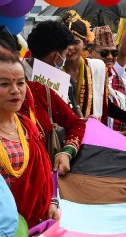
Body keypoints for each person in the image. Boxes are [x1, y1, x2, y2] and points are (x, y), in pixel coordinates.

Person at [0, 48, 57, 228]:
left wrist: (52, 202)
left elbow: (44, 177)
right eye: (4, 84)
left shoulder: (27, 125)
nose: (15, 91)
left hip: (32, 225)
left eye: (21, 83)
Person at [22, 21, 86, 173]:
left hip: (44, 165)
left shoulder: (58, 83)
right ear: (55, 56)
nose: (14, 89)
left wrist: (66, 152)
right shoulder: (20, 81)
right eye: (64, 54)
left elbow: (75, 123)